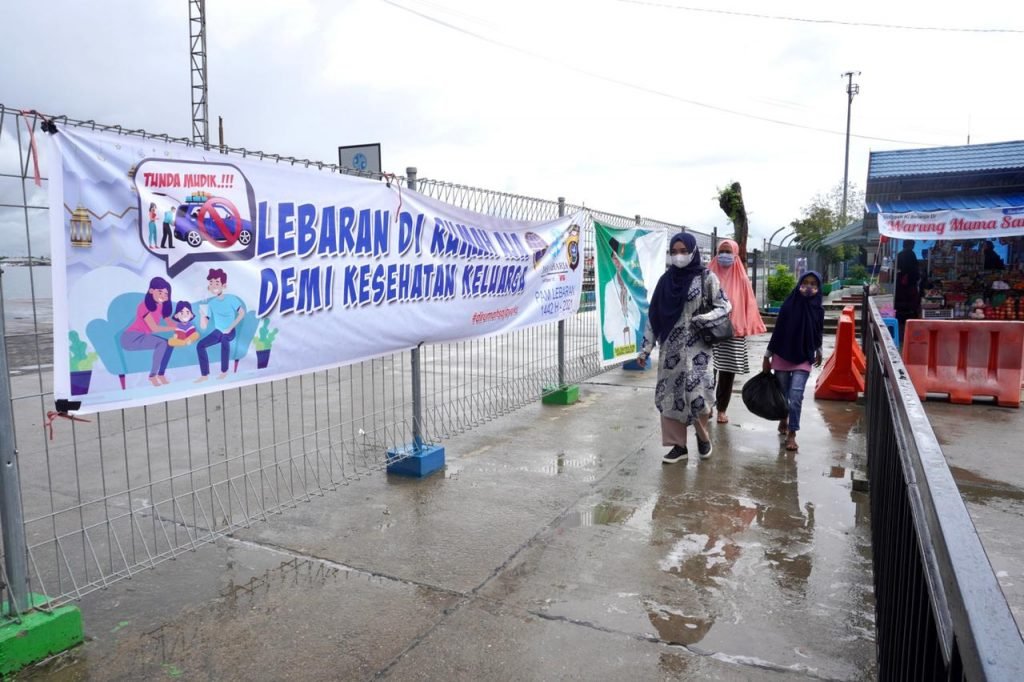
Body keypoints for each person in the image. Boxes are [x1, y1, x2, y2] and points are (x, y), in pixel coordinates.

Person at [636, 233, 731, 464]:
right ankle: (679, 446)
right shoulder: (665, 281)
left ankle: (703, 436)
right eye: (674, 251)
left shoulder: (706, 277)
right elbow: (654, 316)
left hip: (699, 349)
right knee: (671, 397)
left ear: (693, 250)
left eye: (683, 250)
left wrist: (703, 318)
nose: (679, 255)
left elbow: (725, 305)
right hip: (671, 350)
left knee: (698, 395)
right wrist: (646, 348)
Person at [762, 272, 825, 452]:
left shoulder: (818, 309)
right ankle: (784, 417)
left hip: (804, 356)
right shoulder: (788, 306)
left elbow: (817, 332)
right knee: (783, 395)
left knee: (796, 397)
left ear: (818, 287)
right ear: (799, 283)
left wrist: (819, 350)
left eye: (813, 284)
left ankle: (792, 433)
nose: (809, 287)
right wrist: (767, 356)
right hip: (782, 354)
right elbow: (778, 332)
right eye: (805, 282)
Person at [707, 239, 766, 424]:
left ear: (735, 254)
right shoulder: (707, 273)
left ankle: (722, 409)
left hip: (732, 332)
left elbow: (748, 304)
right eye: (721, 251)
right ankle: (707, 406)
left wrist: (745, 327)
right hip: (707, 330)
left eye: (728, 251)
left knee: (727, 371)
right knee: (706, 371)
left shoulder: (741, 277)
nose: (724, 255)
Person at [120, 276, 177, 387]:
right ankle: (152, 376)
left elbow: (169, 322)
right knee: (162, 343)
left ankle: (161, 374)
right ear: (151, 290)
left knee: (170, 343)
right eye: (160, 292)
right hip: (130, 338)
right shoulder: (144, 306)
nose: (163, 296)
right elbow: (154, 328)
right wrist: (173, 329)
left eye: (166, 294)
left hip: (143, 337)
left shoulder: (160, 306)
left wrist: (182, 327)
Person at [196, 268, 246, 382]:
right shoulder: (211, 304)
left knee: (224, 339)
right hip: (218, 331)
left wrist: (230, 327)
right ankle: (204, 374)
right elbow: (204, 326)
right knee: (200, 345)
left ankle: (224, 372)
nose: (214, 286)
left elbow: (242, 313)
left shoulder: (231, 299)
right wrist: (201, 315)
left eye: (217, 283)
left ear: (224, 285)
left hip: (230, 331)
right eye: (211, 283)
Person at [602, 237, 641, 350]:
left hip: (632, 332)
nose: (618, 262)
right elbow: (609, 314)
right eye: (615, 258)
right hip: (617, 335)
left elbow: (637, 312)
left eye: (621, 258)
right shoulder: (610, 286)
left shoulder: (634, 283)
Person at [893, 239, 921, 342]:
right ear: (910, 245)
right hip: (909, 284)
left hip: (900, 285)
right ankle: (909, 320)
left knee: (902, 305)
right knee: (910, 304)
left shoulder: (899, 254)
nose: (913, 246)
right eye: (913, 244)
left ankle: (902, 322)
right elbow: (914, 270)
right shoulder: (911, 254)